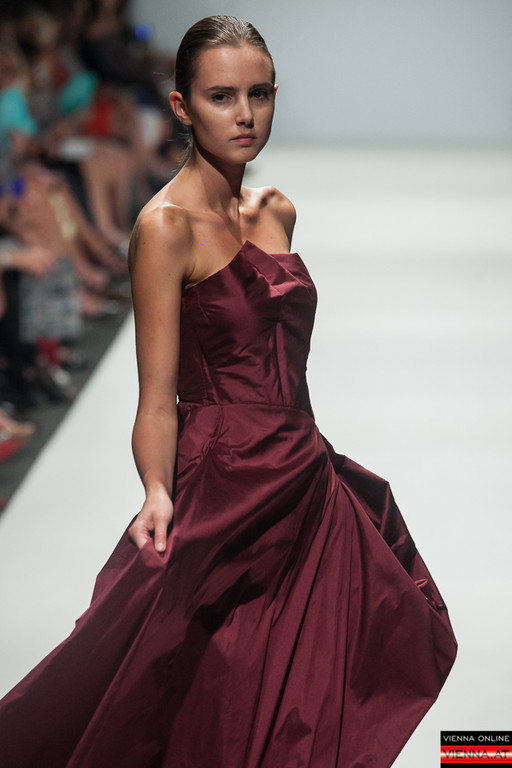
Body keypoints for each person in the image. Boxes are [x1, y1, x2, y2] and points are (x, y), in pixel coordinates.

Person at [0, 15, 457, 767]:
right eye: (221, 97)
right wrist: (156, 489)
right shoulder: (164, 228)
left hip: (304, 474)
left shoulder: (275, 210)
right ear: (181, 106)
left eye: (259, 94)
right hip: (225, 487)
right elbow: (156, 397)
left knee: (341, 674)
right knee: (214, 687)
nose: (245, 115)